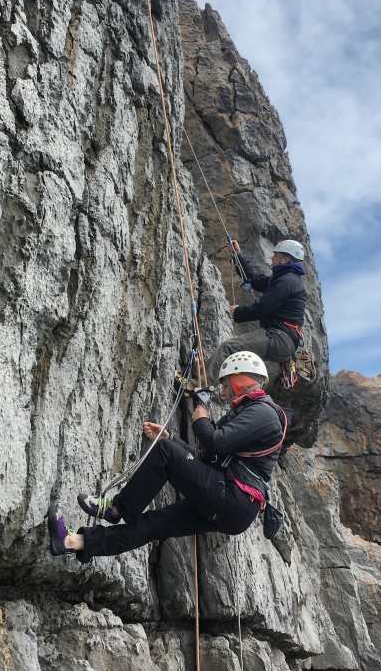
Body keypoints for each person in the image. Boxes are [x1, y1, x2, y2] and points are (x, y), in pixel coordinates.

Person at [47, 352, 285, 562]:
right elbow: (209, 458)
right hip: (234, 505)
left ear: (239, 380)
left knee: (165, 453)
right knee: (154, 524)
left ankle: (116, 509)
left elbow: (215, 442)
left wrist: (200, 419)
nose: (222, 392)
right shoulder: (252, 413)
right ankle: (71, 542)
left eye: (225, 385)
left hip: (234, 497)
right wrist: (171, 438)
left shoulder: (265, 412)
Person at [208, 238, 307, 379]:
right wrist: (237, 255)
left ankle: (198, 385)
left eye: (276, 256)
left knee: (228, 347)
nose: (272, 258)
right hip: (281, 339)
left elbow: (263, 308)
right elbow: (253, 279)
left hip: (280, 338)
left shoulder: (287, 282)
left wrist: (237, 312)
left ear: (285, 260)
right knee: (239, 359)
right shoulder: (283, 279)